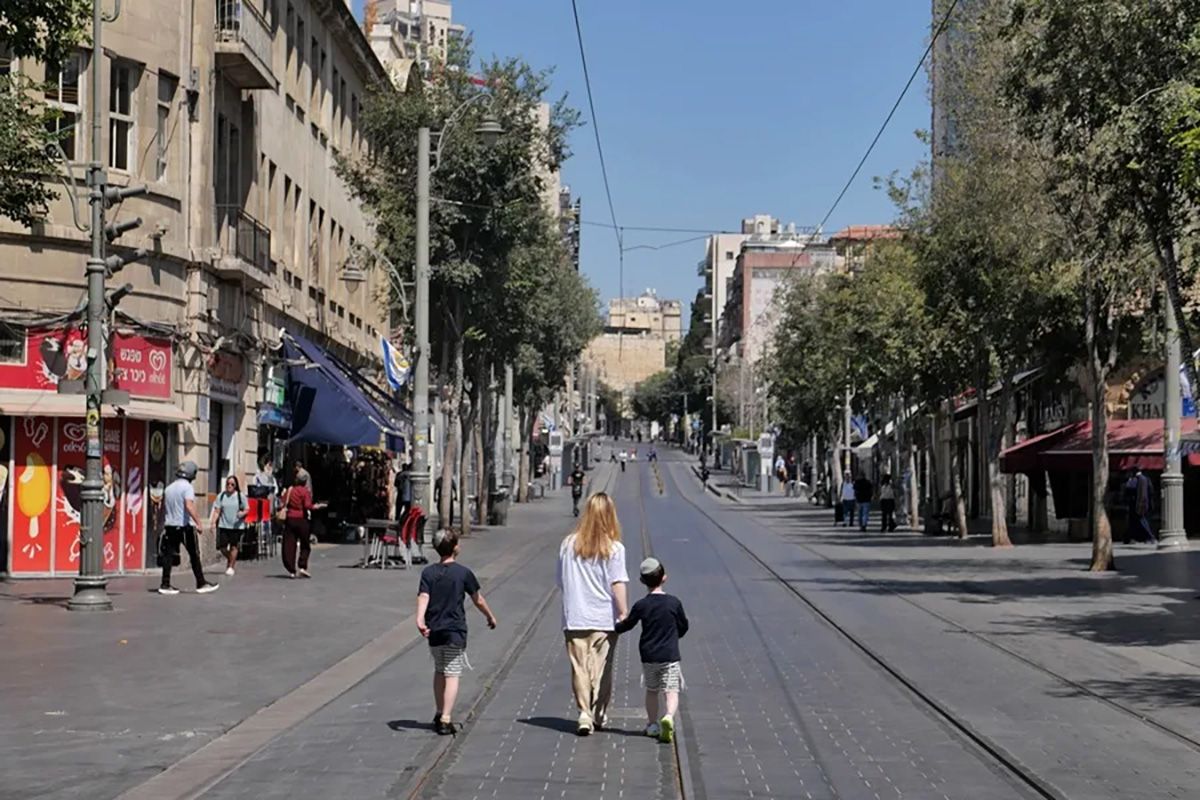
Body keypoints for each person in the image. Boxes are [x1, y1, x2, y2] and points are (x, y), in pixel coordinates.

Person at [557, 492, 629, 736]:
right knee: (602, 669)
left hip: (575, 616)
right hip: (604, 619)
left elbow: (561, 580)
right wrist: (623, 613)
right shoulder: (615, 549)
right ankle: (598, 713)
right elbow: (617, 583)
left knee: (579, 667)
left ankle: (584, 713)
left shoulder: (568, 545)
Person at [417, 529, 498, 735]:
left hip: (434, 630)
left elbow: (423, 596)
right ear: (455, 548)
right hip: (454, 630)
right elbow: (478, 599)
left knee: (439, 670)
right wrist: (489, 616)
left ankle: (438, 711)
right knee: (452, 673)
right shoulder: (463, 573)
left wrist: (419, 619)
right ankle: (445, 718)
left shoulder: (428, 573)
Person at [615, 557, 689, 743]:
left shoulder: (641, 605)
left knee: (652, 690)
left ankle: (652, 724)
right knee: (671, 690)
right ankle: (669, 716)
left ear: (642, 581)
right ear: (664, 578)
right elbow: (684, 626)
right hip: (670, 655)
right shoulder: (674, 603)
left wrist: (616, 626)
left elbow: (627, 625)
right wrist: (675, 636)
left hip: (649, 656)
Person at [158, 461, 219, 596]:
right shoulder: (187, 488)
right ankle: (201, 582)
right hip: (185, 526)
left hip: (170, 525)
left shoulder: (169, 488)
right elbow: (189, 505)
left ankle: (165, 584)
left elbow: (163, 508)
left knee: (167, 556)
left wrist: (162, 524)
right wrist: (199, 522)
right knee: (194, 555)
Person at [281, 469, 325, 578]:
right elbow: (308, 506)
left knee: (289, 544)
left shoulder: (290, 490)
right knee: (305, 544)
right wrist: (318, 506)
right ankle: (302, 566)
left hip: (290, 518)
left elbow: (283, 501)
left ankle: (291, 569)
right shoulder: (305, 492)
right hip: (302, 519)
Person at [210, 475, 248, 576]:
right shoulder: (221, 496)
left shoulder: (240, 496)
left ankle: (231, 567)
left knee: (234, 546)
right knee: (222, 547)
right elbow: (217, 510)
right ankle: (230, 558)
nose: (229, 486)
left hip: (237, 526)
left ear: (235, 486)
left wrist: (242, 513)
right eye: (228, 484)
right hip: (223, 525)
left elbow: (247, 509)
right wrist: (213, 522)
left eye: (232, 484)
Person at [1127, 467, 1156, 544]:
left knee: (1142, 521)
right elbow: (1151, 490)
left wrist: (1129, 480)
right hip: (1146, 504)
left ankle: (1151, 537)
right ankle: (1145, 538)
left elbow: (1129, 487)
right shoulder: (1146, 479)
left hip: (1138, 505)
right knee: (1143, 520)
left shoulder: (1136, 479)